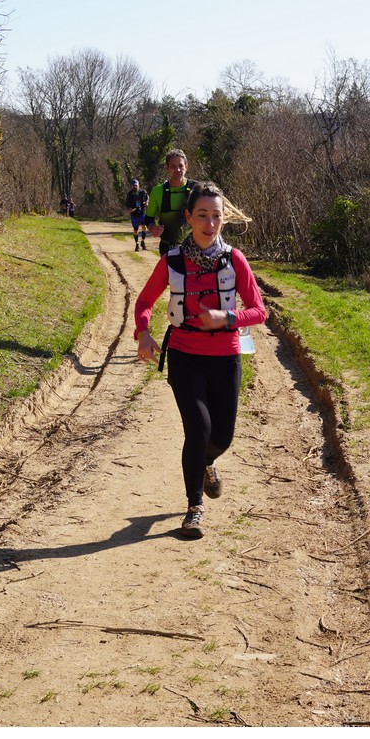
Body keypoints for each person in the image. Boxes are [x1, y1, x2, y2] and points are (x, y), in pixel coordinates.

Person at [133, 182, 265, 539]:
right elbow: (144, 301)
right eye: (202, 215)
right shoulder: (173, 260)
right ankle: (194, 508)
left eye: (216, 216)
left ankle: (208, 461)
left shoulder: (234, 260)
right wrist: (143, 332)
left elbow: (259, 310)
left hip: (226, 356)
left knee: (222, 436)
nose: (210, 223)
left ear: (223, 219)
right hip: (185, 355)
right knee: (198, 430)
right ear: (189, 217)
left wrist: (228, 317)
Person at [144, 148, 198, 255]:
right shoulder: (157, 191)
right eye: (173, 166)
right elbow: (148, 218)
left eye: (181, 166)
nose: (177, 169)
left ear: (186, 166)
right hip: (168, 248)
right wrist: (153, 228)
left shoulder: (197, 189)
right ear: (167, 168)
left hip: (195, 247)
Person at [124, 178, 149, 251]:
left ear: (138, 185)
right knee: (135, 229)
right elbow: (127, 203)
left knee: (144, 227)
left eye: (136, 185)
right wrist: (129, 208)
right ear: (132, 186)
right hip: (134, 214)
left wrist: (146, 202)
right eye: (134, 185)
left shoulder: (143, 192)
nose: (135, 186)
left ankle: (143, 241)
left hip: (142, 212)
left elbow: (147, 198)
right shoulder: (130, 194)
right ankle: (137, 244)